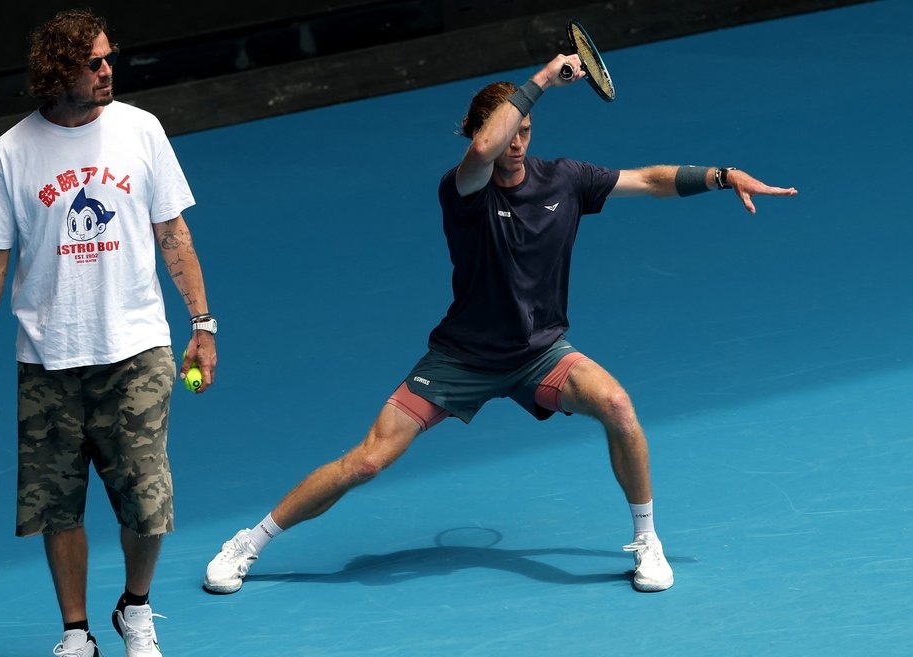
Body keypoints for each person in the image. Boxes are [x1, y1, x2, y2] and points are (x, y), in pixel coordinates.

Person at [203, 52, 796, 596]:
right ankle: (248, 543)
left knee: (616, 405)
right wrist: (540, 80)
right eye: (510, 131)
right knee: (367, 461)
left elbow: (647, 180)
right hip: (461, 358)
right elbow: (484, 151)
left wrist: (721, 175)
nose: (517, 143)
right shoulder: (463, 188)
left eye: (526, 133)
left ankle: (647, 540)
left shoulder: (564, 178)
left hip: (538, 354)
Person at [0, 9, 217, 657]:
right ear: (59, 71)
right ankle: (77, 632)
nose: (108, 70)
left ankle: (134, 606)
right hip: (46, 360)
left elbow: (173, 234)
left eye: (109, 58)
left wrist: (202, 325)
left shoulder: (141, 131)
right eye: (94, 62)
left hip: (137, 352)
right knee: (56, 509)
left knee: (148, 506)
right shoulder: (12, 153)